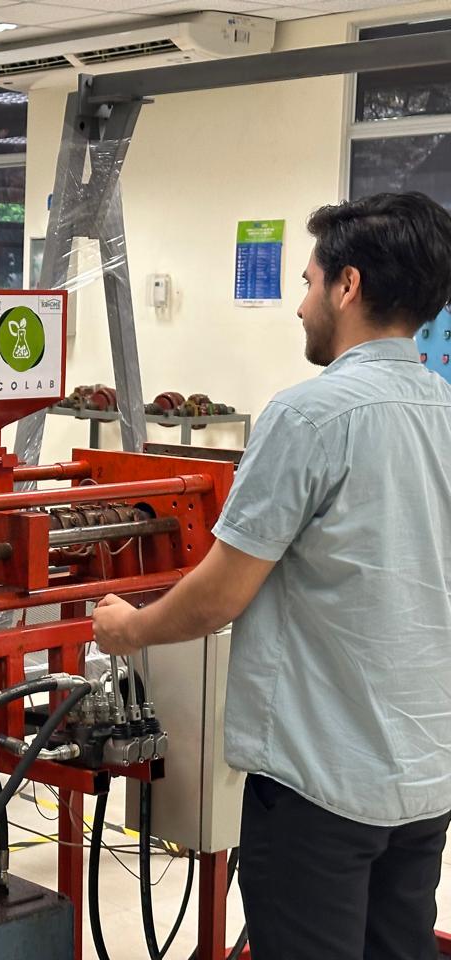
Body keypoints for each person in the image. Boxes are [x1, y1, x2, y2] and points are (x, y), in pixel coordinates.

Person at [91, 192, 451, 959]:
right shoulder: (445, 412)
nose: (299, 306)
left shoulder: (308, 416)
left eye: (307, 281)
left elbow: (222, 592)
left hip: (321, 786)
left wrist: (131, 629)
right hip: (426, 782)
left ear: (346, 286)